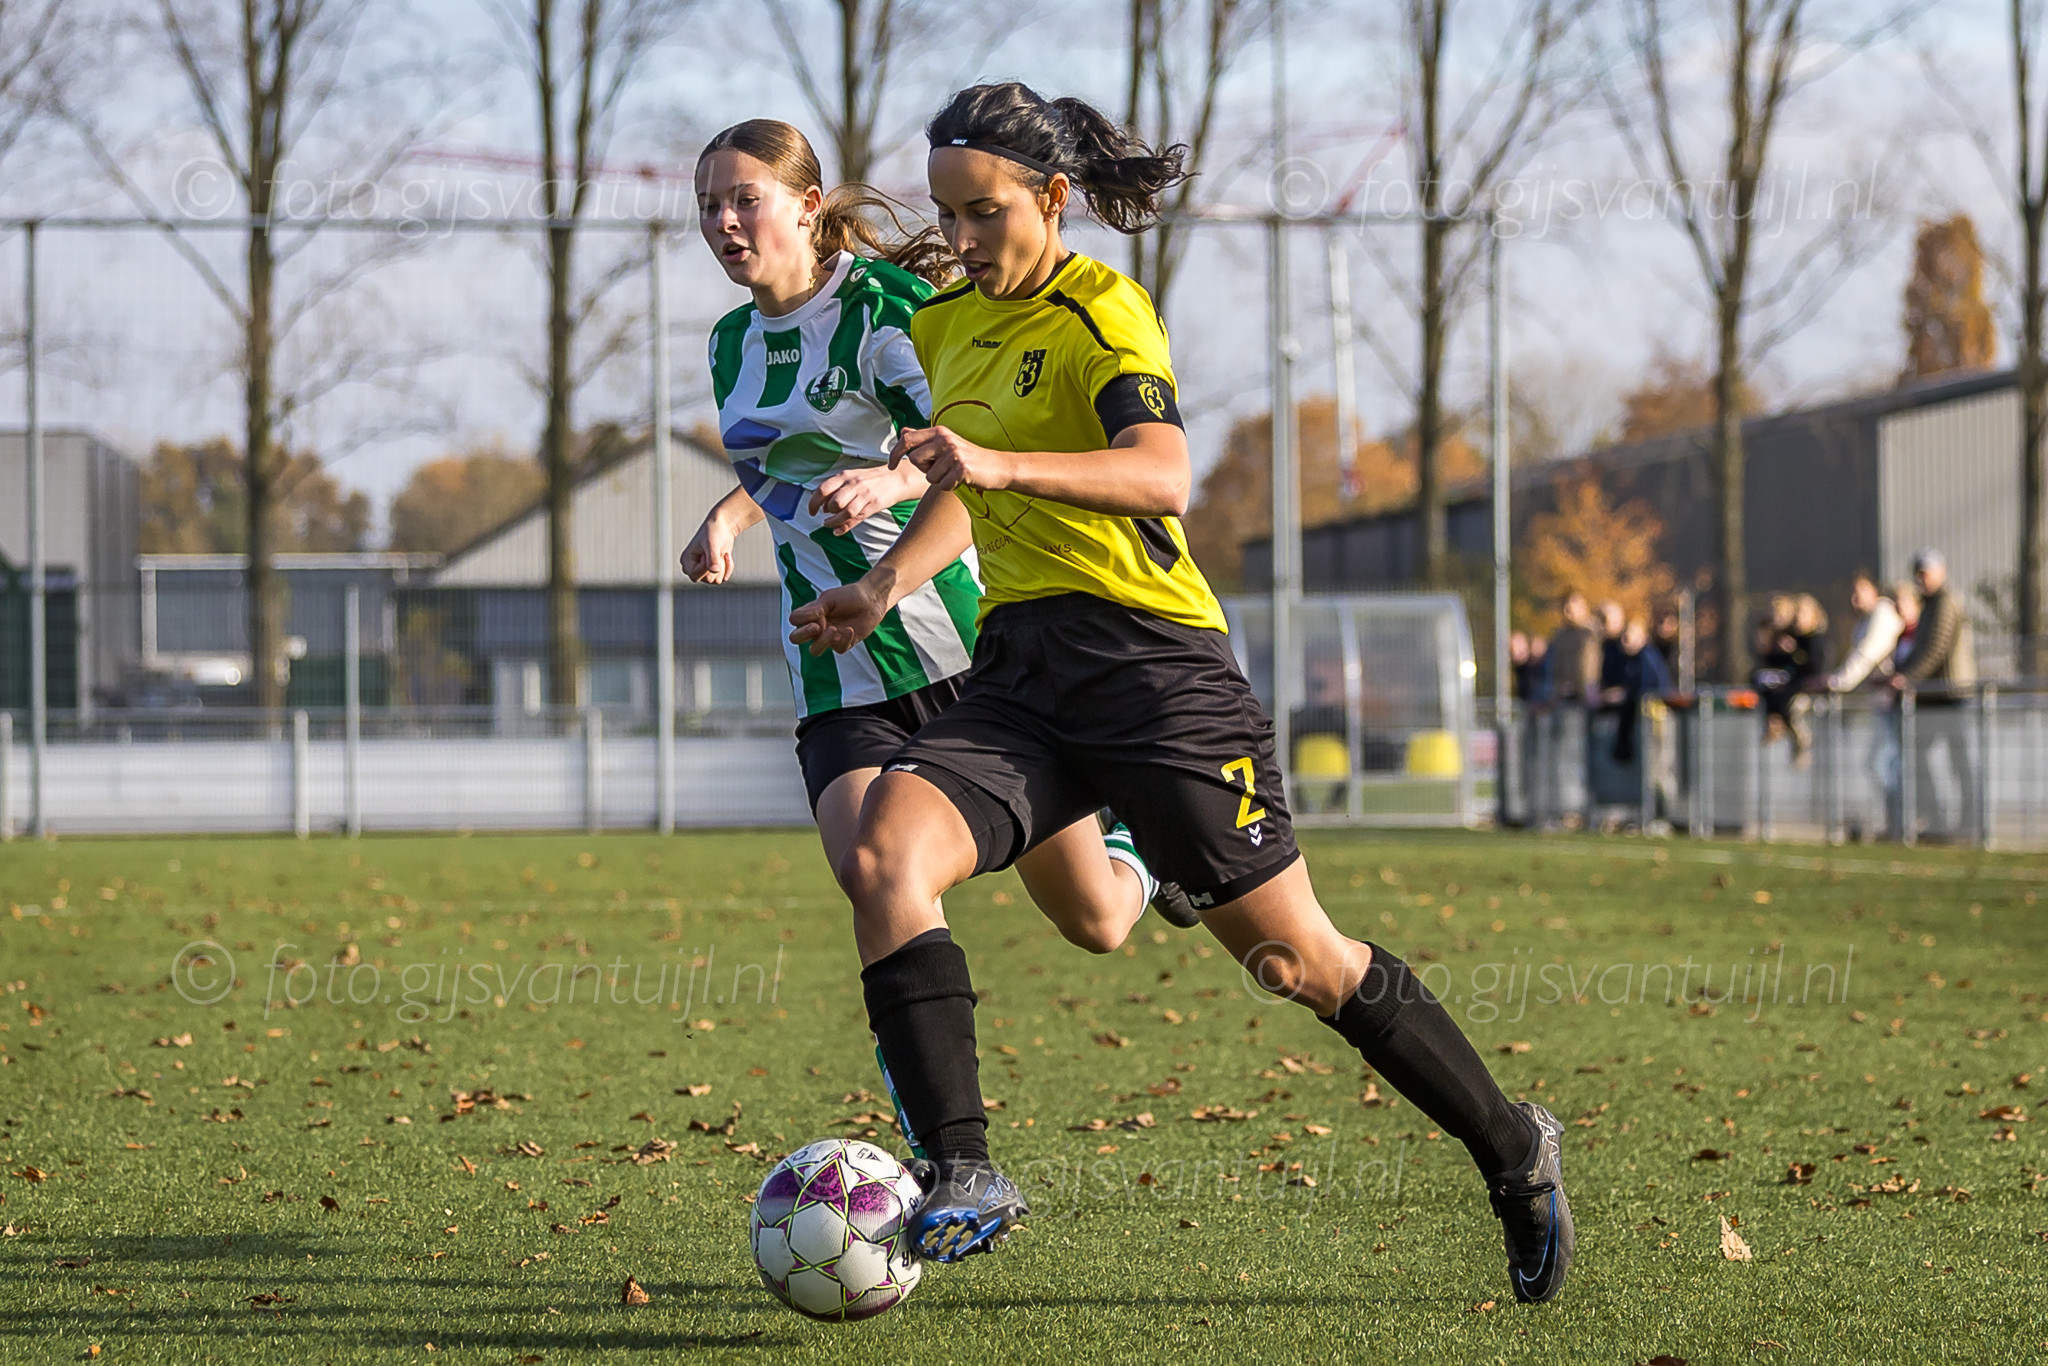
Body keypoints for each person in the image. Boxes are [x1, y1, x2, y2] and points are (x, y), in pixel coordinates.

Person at [791, 82, 1573, 1302]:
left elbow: (1160, 475)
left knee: (1297, 961)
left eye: (985, 211)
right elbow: (968, 495)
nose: (962, 237)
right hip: (1020, 669)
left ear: (1053, 198)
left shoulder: (1102, 308)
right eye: (946, 214)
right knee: (885, 856)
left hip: (1155, 675)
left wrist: (996, 462)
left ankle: (1512, 1146)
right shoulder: (944, 327)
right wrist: (885, 583)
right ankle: (961, 1168)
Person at [686, 119, 1195, 1041]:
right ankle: (941, 1119)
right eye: (708, 204)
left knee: (1098, 921)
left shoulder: (889, 308)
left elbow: (974, 442)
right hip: (837, 668)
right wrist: (729, 514)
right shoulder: (730, 344)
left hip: (959, 647)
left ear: (807, 206)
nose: (724, 221)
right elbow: (793, 464)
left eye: (743, 199)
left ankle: (1133, 836)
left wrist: (892, 479)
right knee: (874, 878)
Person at [1890, 549, 1977, 839]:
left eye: (1925, 573)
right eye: (1918, 574)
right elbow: (1919, 649)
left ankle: (1970, 823)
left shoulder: (1946, 602)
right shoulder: (1928, 604)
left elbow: (1936, 648)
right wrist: (1899, 673)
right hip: (1932, 695)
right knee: (1917, 755)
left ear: (1941, 572)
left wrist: (1908, 677)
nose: (1920, 579)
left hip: (1951, 694)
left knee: (1960, 762)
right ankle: (1936, 819)